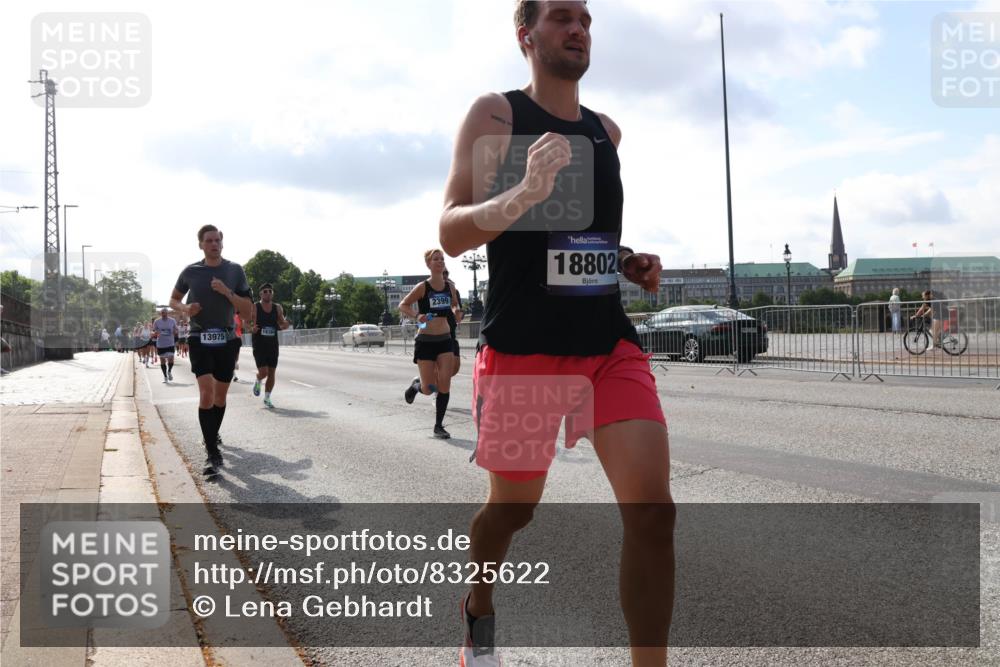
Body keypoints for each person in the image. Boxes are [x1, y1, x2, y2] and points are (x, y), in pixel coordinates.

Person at [438, 3, 674, 665]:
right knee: (513, 510)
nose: (578, 29)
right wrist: (523, 191)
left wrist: (624, 260)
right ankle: (479, 601)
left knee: (653, 513)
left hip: (607, 345)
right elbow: (452, 231)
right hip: (524, 349)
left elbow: (576, 234)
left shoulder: (605, 132)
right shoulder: (498, 116)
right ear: (526, 35)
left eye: (586, 20)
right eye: (562, 17)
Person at [170, 224, 252, 477]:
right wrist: (186, 309)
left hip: (226, 339)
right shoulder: (191, 271)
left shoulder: (235, 270)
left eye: (218, 240)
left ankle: (212, 434)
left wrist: (227, 292)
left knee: (220, 397)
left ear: (222, 243)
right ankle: (211, 453)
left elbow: (248, 309)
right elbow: (173, 300)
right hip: (199, 337)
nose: (214, 244)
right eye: (209, 240)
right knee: (206, 394)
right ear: (201, 245)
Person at [399, 249, 463, 439]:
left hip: (445, 339)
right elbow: (403, 304)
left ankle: (438, 426)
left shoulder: (450, 286)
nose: (440, 261)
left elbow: (454, 304)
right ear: (428, 264)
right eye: (436, 259)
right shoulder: (423, 287)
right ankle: (416, 386)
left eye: (442, 258)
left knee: (445, 383)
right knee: (428, 388)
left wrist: (456, 310)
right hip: (425, 340)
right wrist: (417, 315)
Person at [250, 282, 290, 408]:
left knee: (272, 372)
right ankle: (258, 379)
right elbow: (246, 322)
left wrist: (285, 325)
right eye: (265, 291)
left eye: (270, 291)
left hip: (272, 344)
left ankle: (267, 398)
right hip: (259, 344)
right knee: (264, 372)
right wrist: (251, 328)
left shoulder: (277, 307)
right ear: (260, 294)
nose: (268, 293)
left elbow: (282, 322)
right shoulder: (255, 307)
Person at [443, 269, 465, 376]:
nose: (444, 276)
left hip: (451, 332)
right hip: (437, 334)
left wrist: (459, 314)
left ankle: (423, 382)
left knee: (455, 368)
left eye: (446, 274)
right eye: (442, 274)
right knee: (442, 370)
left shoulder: (454, 291)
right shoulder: (429, 290)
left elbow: (459, 308)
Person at [153, 308, 179, 383]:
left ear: (167, 313)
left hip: (170, 343)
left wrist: (175, 331)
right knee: (162, 360)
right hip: (161, 344)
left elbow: (176, 330)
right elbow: (153, 330)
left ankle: (169, 371)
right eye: (162, 313)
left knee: (171, 359)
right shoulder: (157, 321)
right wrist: (156, 332)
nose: (164, 314)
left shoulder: (172, 320)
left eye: (165, 313)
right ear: (160, 313)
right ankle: (165, 376)